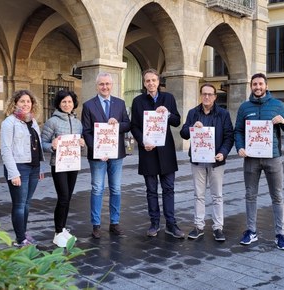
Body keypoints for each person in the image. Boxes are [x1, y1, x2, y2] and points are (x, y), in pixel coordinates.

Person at [235, 73, 284, 250]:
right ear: (251, 86)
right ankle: (251, 231)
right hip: (251, 159)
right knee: (250, 195)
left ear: (266, 86)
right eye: (254, 84)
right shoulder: (244, 107)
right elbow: (238, 131)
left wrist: (283, 120)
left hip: (273, 157)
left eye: (260, 84)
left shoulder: (277, 105)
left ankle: (280, 234)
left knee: (277, 196)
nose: (257, 87)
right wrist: (240, 147)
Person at [130, 68, 184, 239]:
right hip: (148, 152)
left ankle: (171, 224)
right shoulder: (138, 101)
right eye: (148, 81)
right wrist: (142, 141)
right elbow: (134, 126)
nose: (151, 83)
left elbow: (177, 121)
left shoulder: (168, 98)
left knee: (169, 189)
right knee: (151, 190)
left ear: (158, 82)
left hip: (166, 151)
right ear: (144, 83)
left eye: (153, 80)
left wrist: (167, 113)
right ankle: (154, 223)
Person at [180, 84, 234, 242]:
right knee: (199, 195)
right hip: (198, 161)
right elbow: (184, 134)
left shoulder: (223, 114)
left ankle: (218, 228)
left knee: (217, 196)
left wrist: (223, 153)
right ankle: (198, 226)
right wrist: (192, 127)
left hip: (216, 162)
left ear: (215, 96)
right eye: (204, 94)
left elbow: (228, 136)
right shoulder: (193, 113)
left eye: (210, 94)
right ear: (200, 95)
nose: (207, 97)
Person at [81, 72, 131, 239]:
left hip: (116, 154)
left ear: (112, 85)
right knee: (97, 189)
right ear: (97, 86)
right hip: (97, 156)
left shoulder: (120, 103)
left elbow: (127, 124)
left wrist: (118, 124)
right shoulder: (88, 105)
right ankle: (96, 225)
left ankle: (114, 223)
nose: (105, 87)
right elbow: (86, 132)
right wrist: (97, 150)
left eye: (108, 84)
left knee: (116, 189)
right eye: (102, 84)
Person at [0, 89, 44, 247]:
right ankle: (20, 240)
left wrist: (39, 168)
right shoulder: (9, 123)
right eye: (22, 101)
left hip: (33, 168)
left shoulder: (32, 121)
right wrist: (13, 174)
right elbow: (5, 150)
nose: (26, 104)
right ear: (15, 103)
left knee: (26, 203)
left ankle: (23, 233)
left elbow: (36, 147)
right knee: (19, 204)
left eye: (28, 101)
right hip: (18, 168)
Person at [41, 90, 84, 247]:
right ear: (59, 104)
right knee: (63, 197)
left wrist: (82, 144)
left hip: (73, 164)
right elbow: (42, 143)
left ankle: (63, 228)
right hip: (58, 164)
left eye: (70, 102)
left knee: (68, 197)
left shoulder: (78, 122)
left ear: (74, 104)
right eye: (64, 102)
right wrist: (51, 145)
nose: (67, 104)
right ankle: (58, 232)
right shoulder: (52, 122)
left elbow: (80, 143)